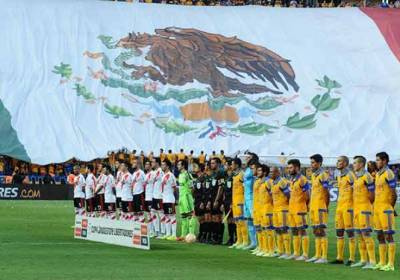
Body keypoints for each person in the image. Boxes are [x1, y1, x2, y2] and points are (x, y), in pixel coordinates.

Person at [351, 155, 376, 269]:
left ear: (361, 164)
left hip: (364, 210)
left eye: (355, 163)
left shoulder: (367, 177)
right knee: (359, 235)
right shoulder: (356, 177)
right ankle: (363, 260)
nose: (353, 165)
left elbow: (372, 194)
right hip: (356, 210)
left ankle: (372, 261)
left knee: (366, 234)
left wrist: (368, 206)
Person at [373, 152, 397, 271]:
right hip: (377, 208)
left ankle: (391, 264)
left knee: (388, 236)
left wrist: (391, 207)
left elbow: (394, 193)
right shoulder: (378, 174)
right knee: (379, 235)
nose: (376, 162)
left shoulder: (389, 173)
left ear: (385, 161)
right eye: (376, 160)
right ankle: (382, 262)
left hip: (386, 209)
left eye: (378, 160)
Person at [331, 156, 356, 266]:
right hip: (339, 207)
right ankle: (339, 258)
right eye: (337, 161)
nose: (338, 162)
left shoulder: (350, 175)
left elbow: (356, 190)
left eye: (340, 161)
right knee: (339, 232)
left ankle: (351, 258)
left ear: (345, 163)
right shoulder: (339, 175)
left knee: (350, 232)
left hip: (348, 207)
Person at [306, 154, 330, 264]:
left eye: (313, 163)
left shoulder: (323, 175)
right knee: (315, 230)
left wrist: (326, 206)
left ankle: (324, 257)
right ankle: (317, 255)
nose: (311, 165)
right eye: (311, 163)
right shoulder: (313, 175)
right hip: (313, 206)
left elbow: (326, 192)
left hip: (320, 207)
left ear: (319, 163)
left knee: (322, 230)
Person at [287, 159, 310, 261]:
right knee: (294, 230)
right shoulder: (292, 179)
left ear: (297, 167)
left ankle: (305, 254)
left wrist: (304, 205)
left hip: (300, 209)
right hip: (292, 209)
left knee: (302, 230)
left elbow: (307, 194)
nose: (289, 170)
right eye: (288, 168)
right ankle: (296, 253)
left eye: (291, 167)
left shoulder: (302, 179)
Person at [270, 166, 291, 259]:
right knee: (277, 230)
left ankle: (287, 252)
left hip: (283, 209)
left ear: (278, 173)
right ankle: (280, 250)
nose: (271, 174)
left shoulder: (282, 182)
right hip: (275, 209)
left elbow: (288, 195)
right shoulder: (273, 182)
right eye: (270, 172)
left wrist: (286, 205)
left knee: (284, 229)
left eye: (272, 172)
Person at [229, 157, 248, 249]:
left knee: (242, 222)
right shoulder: (234, 175)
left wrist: (245, 201)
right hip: (235, 201)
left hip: (241, 201)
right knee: (237, 222)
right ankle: (239, 241)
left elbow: (246, 188)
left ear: (236, 165)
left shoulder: (242, 175)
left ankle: (245, 241)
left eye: (232, 164)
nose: (231, 166)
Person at [177, 159, 196, 240]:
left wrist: (190, 197)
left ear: (183, 166)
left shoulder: (187, 175)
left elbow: (192, 187)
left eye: (179, 164)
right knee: (183, 216)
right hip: (181, 198)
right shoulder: (180, 175)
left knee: (191, 215)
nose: (177, 166)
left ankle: (191, 235)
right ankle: (183, 235)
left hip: (187, 197)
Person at [209, 157, 226, 245]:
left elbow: (221, 186)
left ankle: (219, 238)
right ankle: (214, 237)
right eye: (211, 163)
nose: (211, 165)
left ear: (218, 164)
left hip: (218, 199)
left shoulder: (221, 173)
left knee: (218, 218)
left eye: (213, 163)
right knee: (214, 218)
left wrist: (217, 200)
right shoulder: (213, 174)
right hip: (212, 199)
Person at [243, 152, 258, 250]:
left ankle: (260, 243)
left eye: (248, 157)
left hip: (252, 197)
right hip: (246, 197)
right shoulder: (248, 169)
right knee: (249, 220)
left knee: (255, 220)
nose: (246, 158)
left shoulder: (255, 169)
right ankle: (253, 242)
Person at [160, 159, 177, 240]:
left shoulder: (171, 175)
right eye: (161, 165)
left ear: (167, 166)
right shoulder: (163, 175)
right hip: (164, 199)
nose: (162, 166)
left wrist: (174, 199)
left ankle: (173, 235)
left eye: (163, 165)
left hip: (170, 199)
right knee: (166, 216)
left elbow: (174, 188)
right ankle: (168, 233)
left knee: (172, 216)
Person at [222, 162, 236, 246]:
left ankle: (236, 238)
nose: (224, 166)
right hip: (226, 201)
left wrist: (232, 202)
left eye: (226, 165)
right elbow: (225, 191)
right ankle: (230, 238)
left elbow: (234, 191)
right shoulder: (226, 177)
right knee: (228, 221)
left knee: (233, 220)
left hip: (232, 201)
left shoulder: (234, 177)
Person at [192, 161, 206, 242]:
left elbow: (204, 191)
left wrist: (202, 202)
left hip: (201, 200)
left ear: (200, 168)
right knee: (200, 219)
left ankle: (202, 235)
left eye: (195, 167)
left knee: (202, 219)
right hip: (196, 200)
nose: (194, 168)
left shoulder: (203, 178)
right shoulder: (197, 178)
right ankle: (201, 234)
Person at [152, 157, 165, 237]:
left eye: (153, 162)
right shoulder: (154, 172)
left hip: (159, 196)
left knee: (161, 214)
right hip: (154, 195)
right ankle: (156, 231)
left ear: (157, 163)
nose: (151, 164)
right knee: (153, 213)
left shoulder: (160, 172)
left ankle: (162, 232)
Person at [131, 159, 146, 223]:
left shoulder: (141, 172)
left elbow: (145, 183)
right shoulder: (133, 173)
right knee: (135, 213)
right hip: (134, 195)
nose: (133, 164)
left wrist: (144, 193)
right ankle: (136, 230)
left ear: (138, 164)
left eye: (134, 163)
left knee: (141, 213)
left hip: (140, 194)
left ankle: (142, 231)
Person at [144, 159, 155, 236]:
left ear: (151, 166)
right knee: (148, 214)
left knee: (152, 214)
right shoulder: (146, 174)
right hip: (146, 197)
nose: (146, 166)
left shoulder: (153, 173)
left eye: (148, 164)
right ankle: (150, 230)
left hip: (151, 196)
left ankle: (154, 231)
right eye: (145, 164)